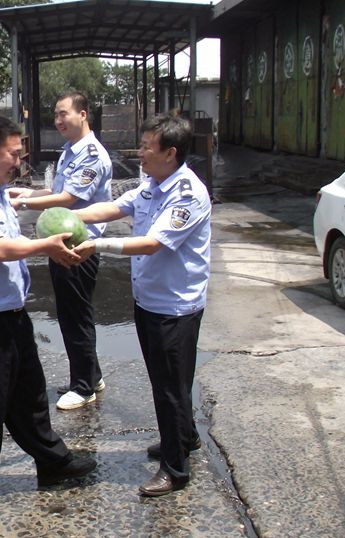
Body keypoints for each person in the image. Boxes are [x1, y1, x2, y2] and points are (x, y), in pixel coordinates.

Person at [0, 115, 97, 514]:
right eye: (12, 154)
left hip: (8, 309)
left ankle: (53, 462)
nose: (18, 162)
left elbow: (10, 241)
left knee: (30, 394)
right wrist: (45, 246)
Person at [72, 114, 211, 497]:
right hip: (149, 300)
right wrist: (65, 215)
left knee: (170, 388)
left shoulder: (188, 194)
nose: (140, 152)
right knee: (170, 381)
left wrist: (96, 245)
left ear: (170, 153)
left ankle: (175, 469)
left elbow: (152, 243)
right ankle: (184, 436)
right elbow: (113, 208)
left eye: (148, 146)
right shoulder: (153, 184)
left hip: (174, 308)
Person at [8, 91, 112, 411]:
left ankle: (83, 387)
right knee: (71, 312)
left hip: (78, 246)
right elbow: (56, 191)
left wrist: (24, 204)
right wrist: (26, 192)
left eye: (63, 113)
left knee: (76, 315)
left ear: (83, 114)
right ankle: (91, 375)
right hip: (63, 242)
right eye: (55, 115)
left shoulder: (91, 154)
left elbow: (68, 199)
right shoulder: (71, 150)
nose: (58, 120)